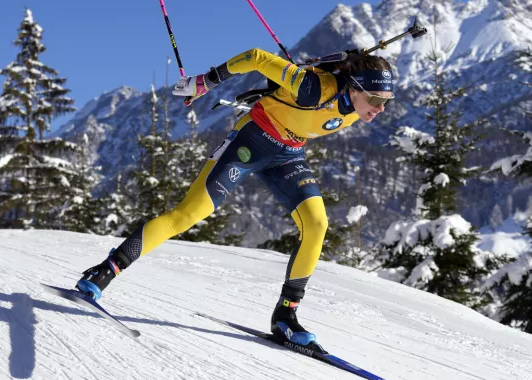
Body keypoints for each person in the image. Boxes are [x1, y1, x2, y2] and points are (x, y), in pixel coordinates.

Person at [74, 48, 395, 346]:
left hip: (289, 156)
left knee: (317, 224)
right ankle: (105, 270)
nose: (380, 109)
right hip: (251, 142)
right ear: (354, 88)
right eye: (375, 99)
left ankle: (286, 315)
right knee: (189, 213)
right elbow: (256, 57)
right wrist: (205, 82)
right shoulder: (312, 86)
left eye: (387, 101)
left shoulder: (356, 105)